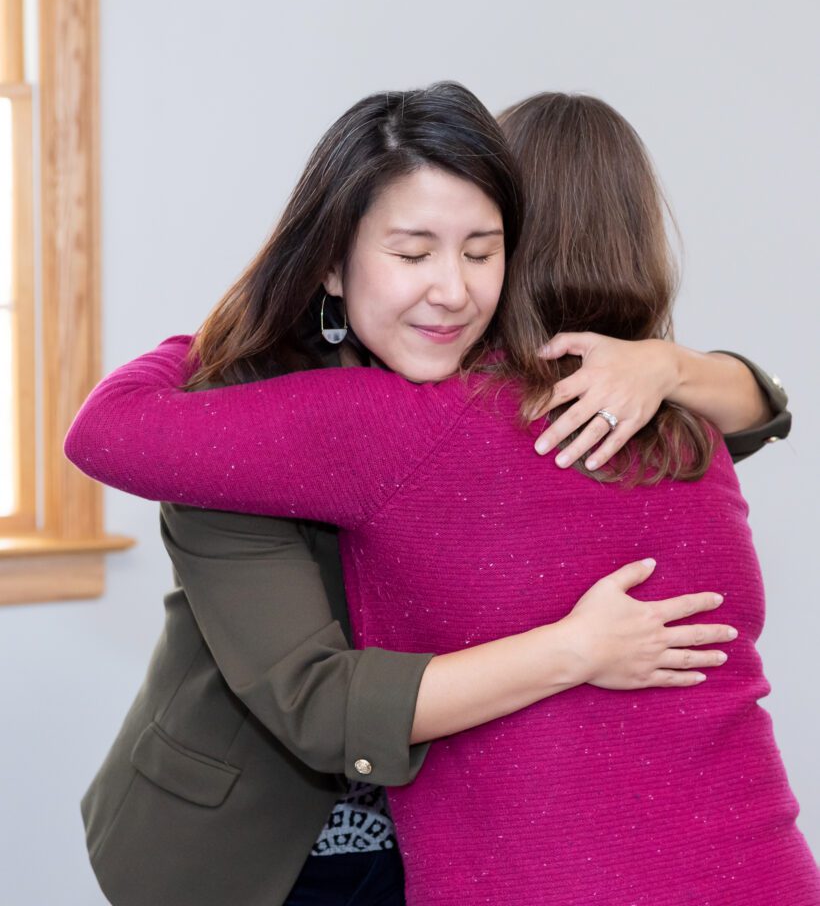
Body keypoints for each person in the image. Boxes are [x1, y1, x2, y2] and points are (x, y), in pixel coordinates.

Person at [66, 85, 802, 906]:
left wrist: (670, 365)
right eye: (413, 255)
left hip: (444, 837)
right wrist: (578, 649)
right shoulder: (248, 421)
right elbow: (319, 705)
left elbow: (755, 416)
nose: (451, 290)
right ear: (331, 263)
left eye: (481, 252)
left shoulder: (561, 404)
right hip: (258, 844)